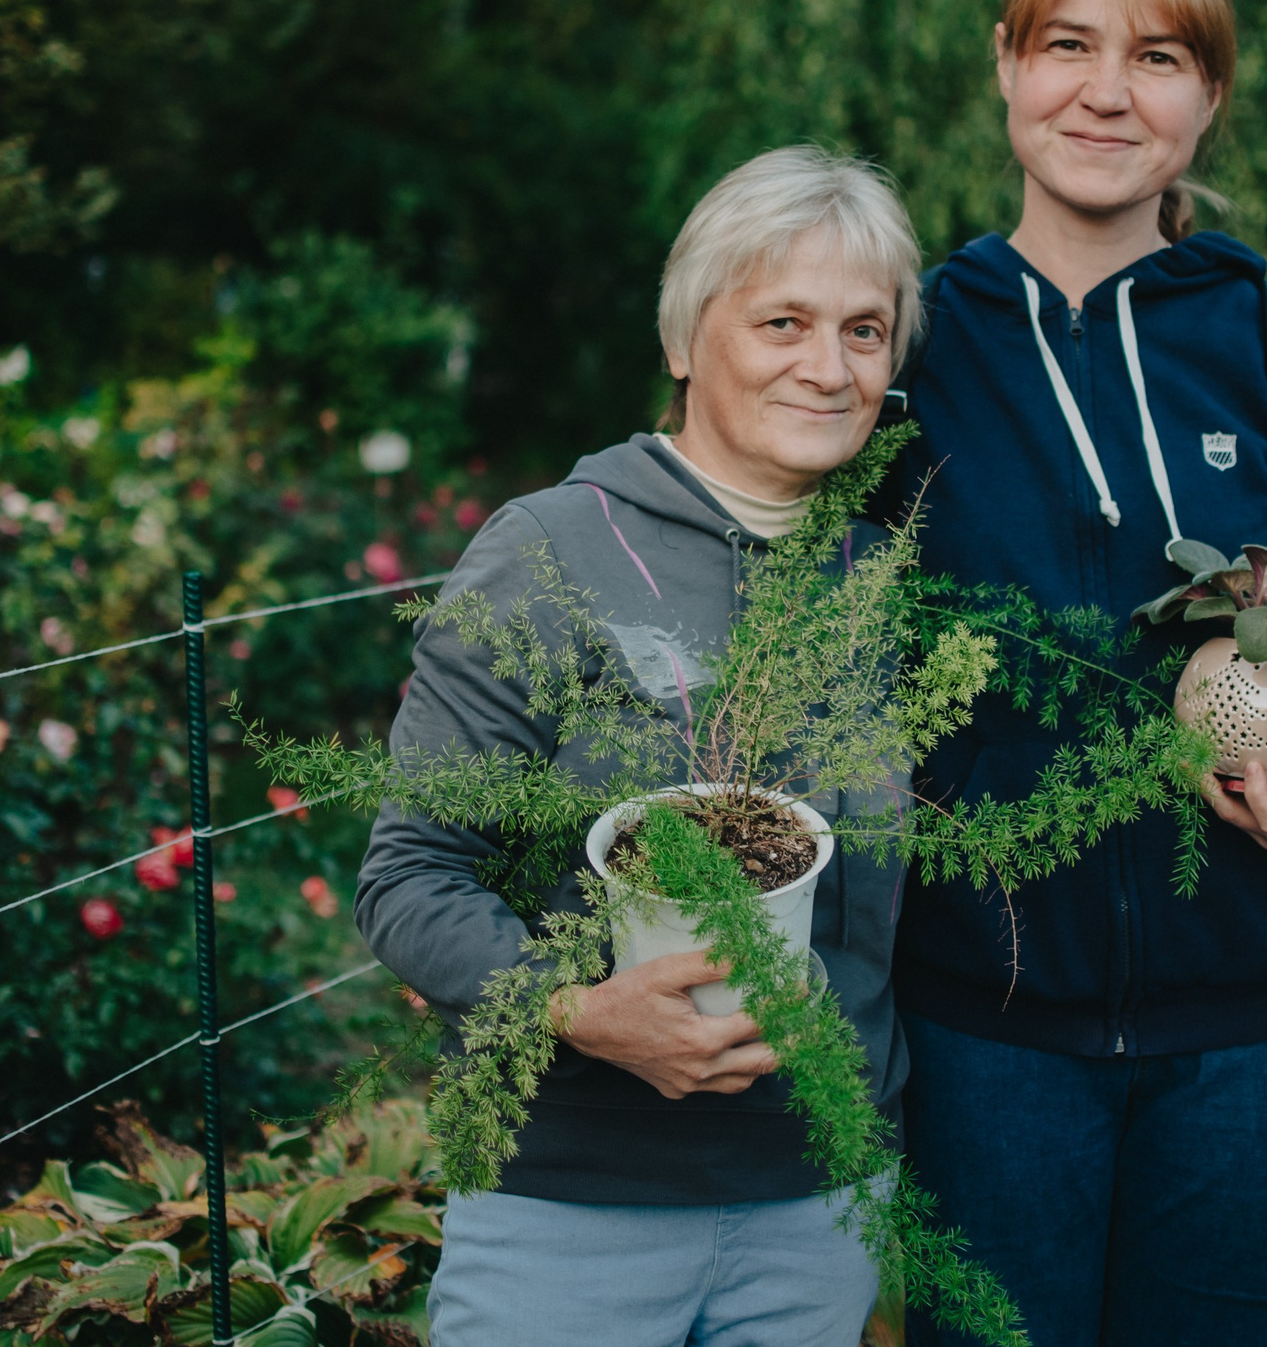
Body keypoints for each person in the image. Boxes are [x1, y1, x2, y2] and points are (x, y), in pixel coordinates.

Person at [883, 0, 1267, 1346]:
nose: (1106, 92)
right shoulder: (906, 352)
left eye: (1159, 57)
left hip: (1247, 1044)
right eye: (1067, 44)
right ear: (1006, 63)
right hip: (981, 1043)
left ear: (1208, 95)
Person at [358, 146, 923, 1347]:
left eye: (864, 331)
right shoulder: (550, 552)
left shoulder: (880, 582)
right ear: (682, 339)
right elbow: (408, 880)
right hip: (572, 1212)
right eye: (782, 321)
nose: (827, 367)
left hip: (819, 1211)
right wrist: (575, 1007)